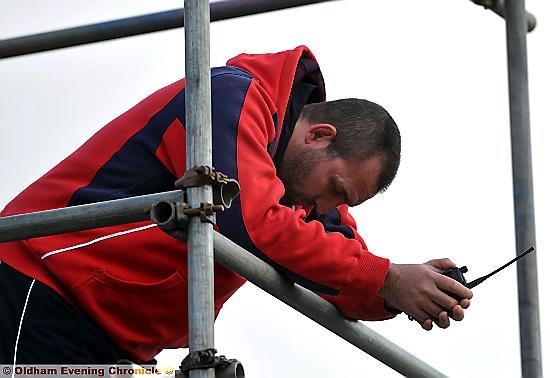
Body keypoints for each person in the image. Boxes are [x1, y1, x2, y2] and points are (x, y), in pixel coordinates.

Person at [0, 45, 472, 365]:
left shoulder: (298, 186)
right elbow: (249, 220)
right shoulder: (229, 97)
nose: (326, 206)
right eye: (336, 189)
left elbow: (344, 270)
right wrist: (387, 277)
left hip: (111, 337)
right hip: (38, 288)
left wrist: (401, 291)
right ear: (319, 135)